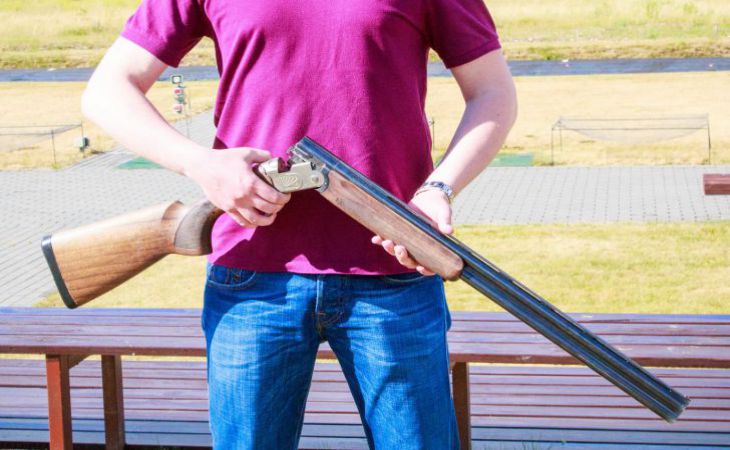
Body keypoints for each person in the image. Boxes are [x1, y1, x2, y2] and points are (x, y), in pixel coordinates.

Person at [82, 0, 517, 448]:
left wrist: (438, 189)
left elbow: (492, 92)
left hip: (395, 271)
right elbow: (108, 90)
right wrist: (200, 164)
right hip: (250, 278)